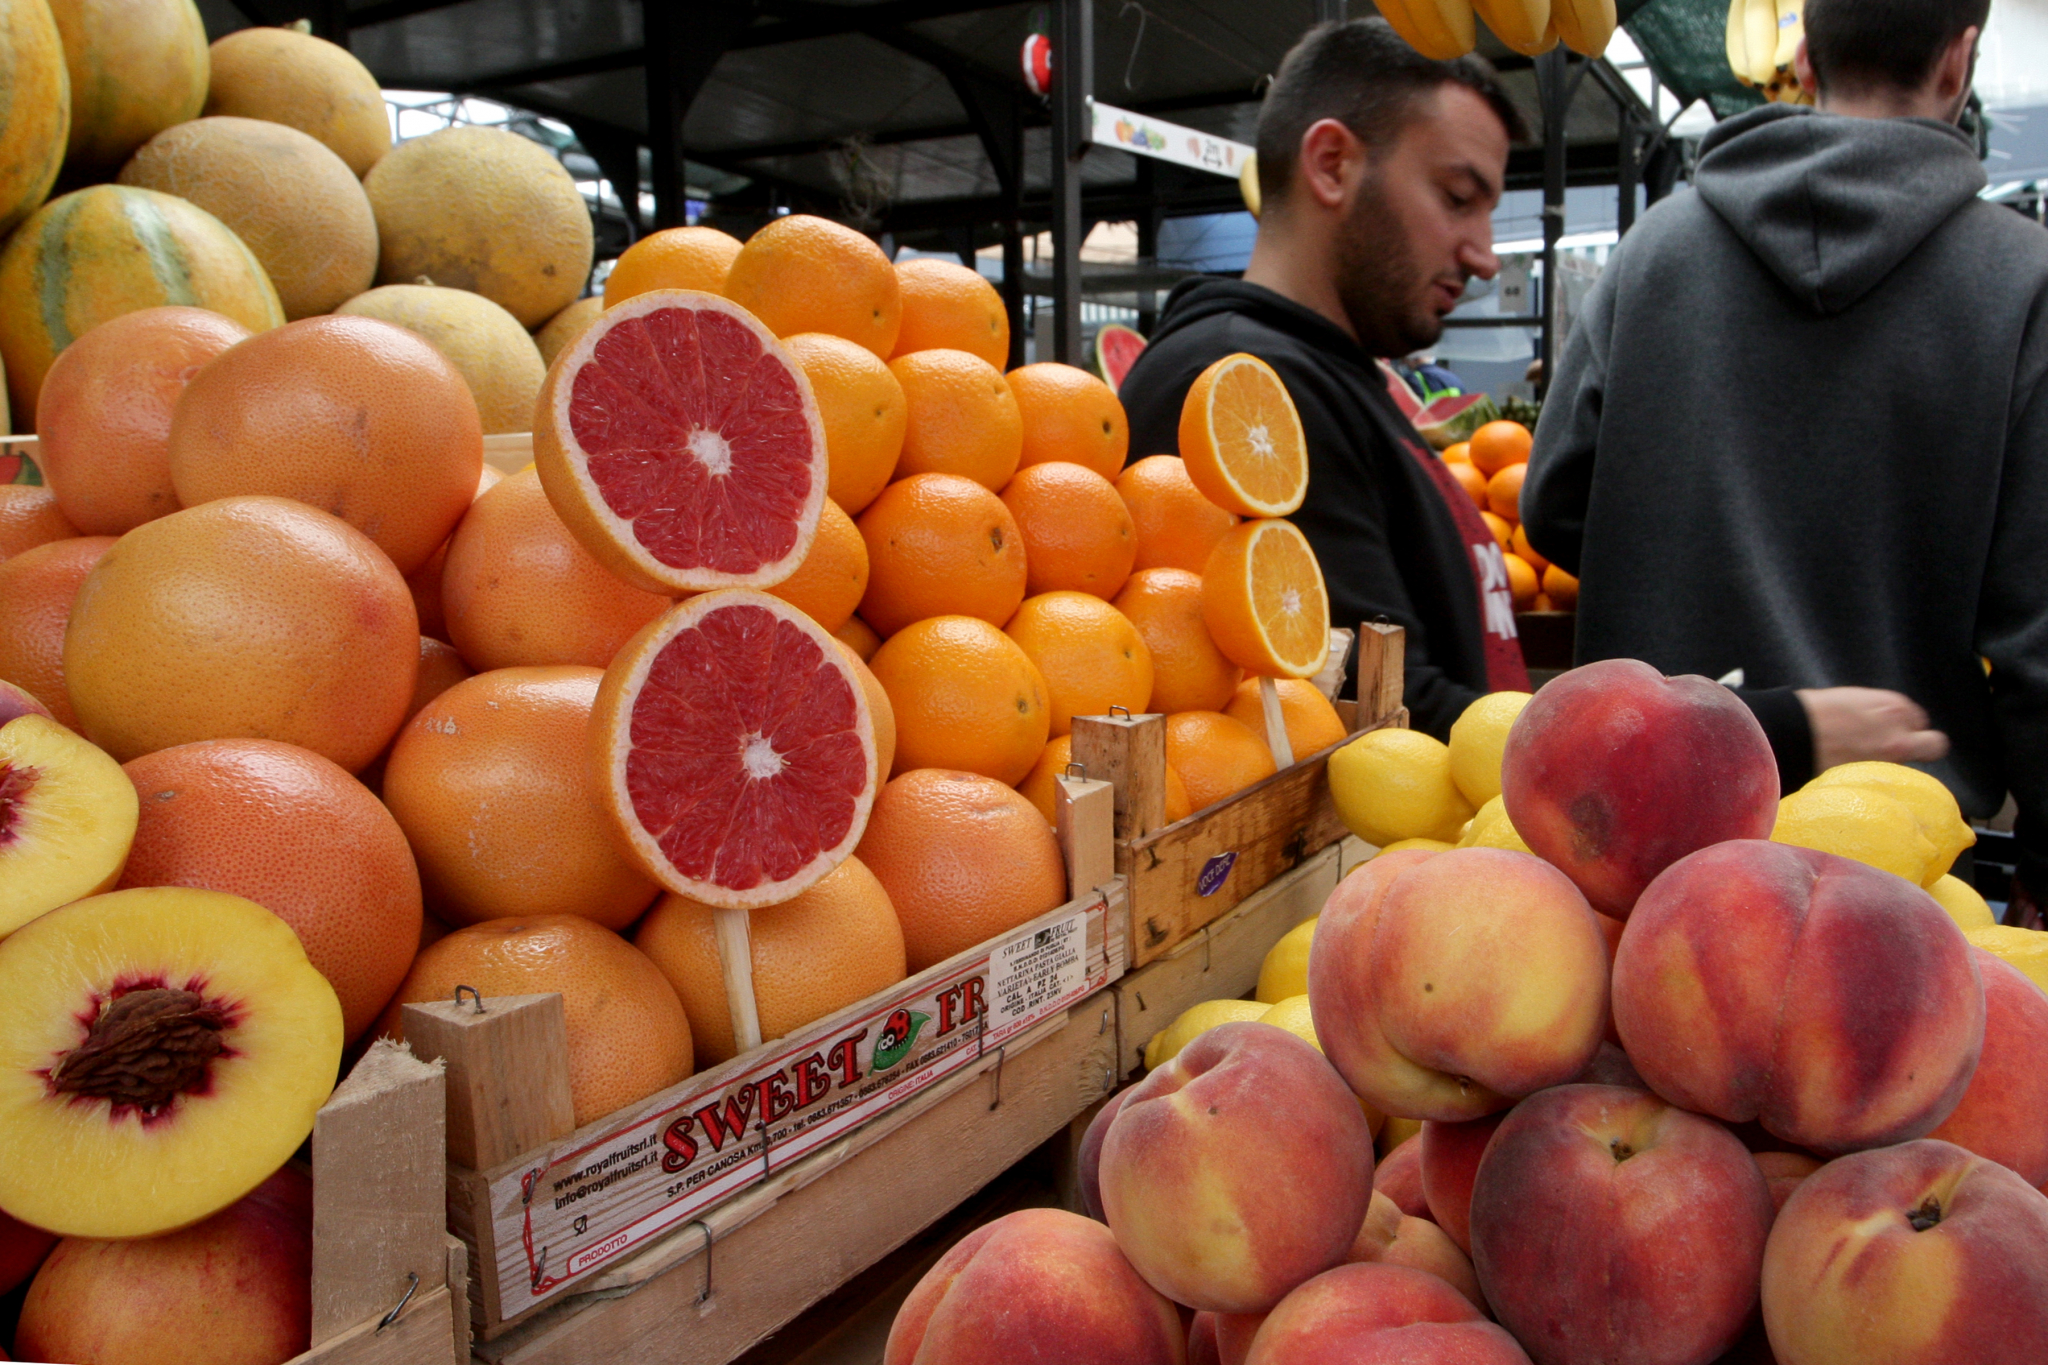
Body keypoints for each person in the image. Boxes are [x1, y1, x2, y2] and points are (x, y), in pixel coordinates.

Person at [1522, 0, 2048, 897]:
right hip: (1891, 866)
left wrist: (1689, 578)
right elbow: (2037, 630)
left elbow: (1554, 504)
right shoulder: (2023, 280)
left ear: (1803, 61)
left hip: (1647, 834)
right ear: (1957, 64)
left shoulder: (1656, 251)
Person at [1119, 19, 1529, 737]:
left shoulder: (1332, 376)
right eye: (1458, 197)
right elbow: (1375, 711)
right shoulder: (1246, 389)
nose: (1486, 256)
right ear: (1333, 165)